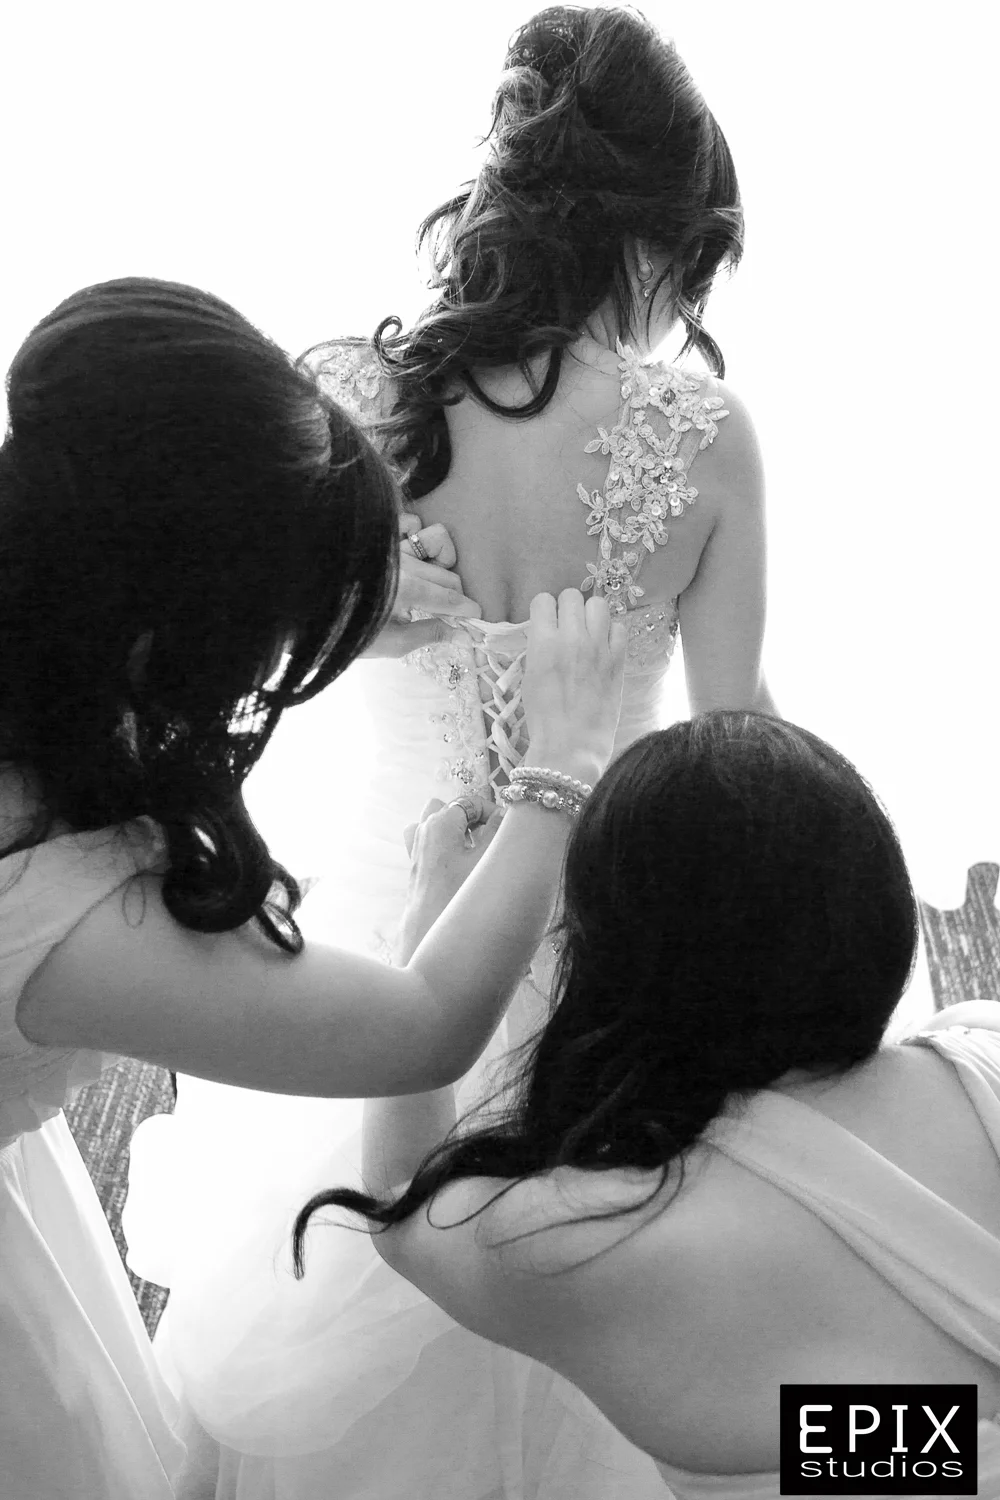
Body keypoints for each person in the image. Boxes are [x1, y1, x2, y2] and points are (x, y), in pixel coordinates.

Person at [123, 7, 782, 1497]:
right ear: (647, 233)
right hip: (605, 923)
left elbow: (227, 660)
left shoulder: (350, 400)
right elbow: (735, 746)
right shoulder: (705, 437)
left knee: (370, 1241)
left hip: (381, 922)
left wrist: (373, 616)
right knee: (619, 1296)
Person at [0, 274, 624, 1499]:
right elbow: (425, 1031)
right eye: (262, 643)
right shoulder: (66, 913)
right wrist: (563, 768)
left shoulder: (39, 627)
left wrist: (348, 601)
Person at [300, 712, 1000, 1497]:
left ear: (608, 961)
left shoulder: (596, 1236)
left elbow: (402, 1194)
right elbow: (941, 1443)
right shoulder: (984, 1046)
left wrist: (431, 917)